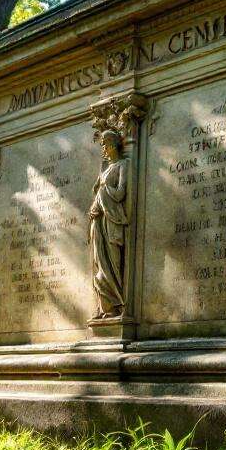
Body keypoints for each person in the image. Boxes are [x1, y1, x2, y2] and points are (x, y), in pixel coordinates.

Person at [89, 130, 129, 318]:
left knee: (112, 262)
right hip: (98, 222)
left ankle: (118, 305)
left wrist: (103, 193)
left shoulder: (123, 165)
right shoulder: (105, 170)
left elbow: (121, 193)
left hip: (112, 220)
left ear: (113, 144)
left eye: (105, 144)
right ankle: (106, 307)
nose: (103, 148)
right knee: (100, 262)